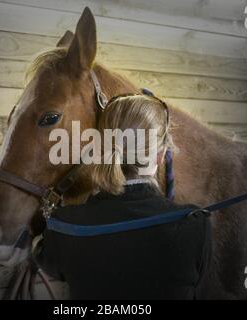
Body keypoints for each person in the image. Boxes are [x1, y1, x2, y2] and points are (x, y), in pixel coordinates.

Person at [31, 94, 212, 299]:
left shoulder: (65, 225)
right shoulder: (194, 225)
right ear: (160, 156)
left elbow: (45, 259)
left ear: (101, 150)